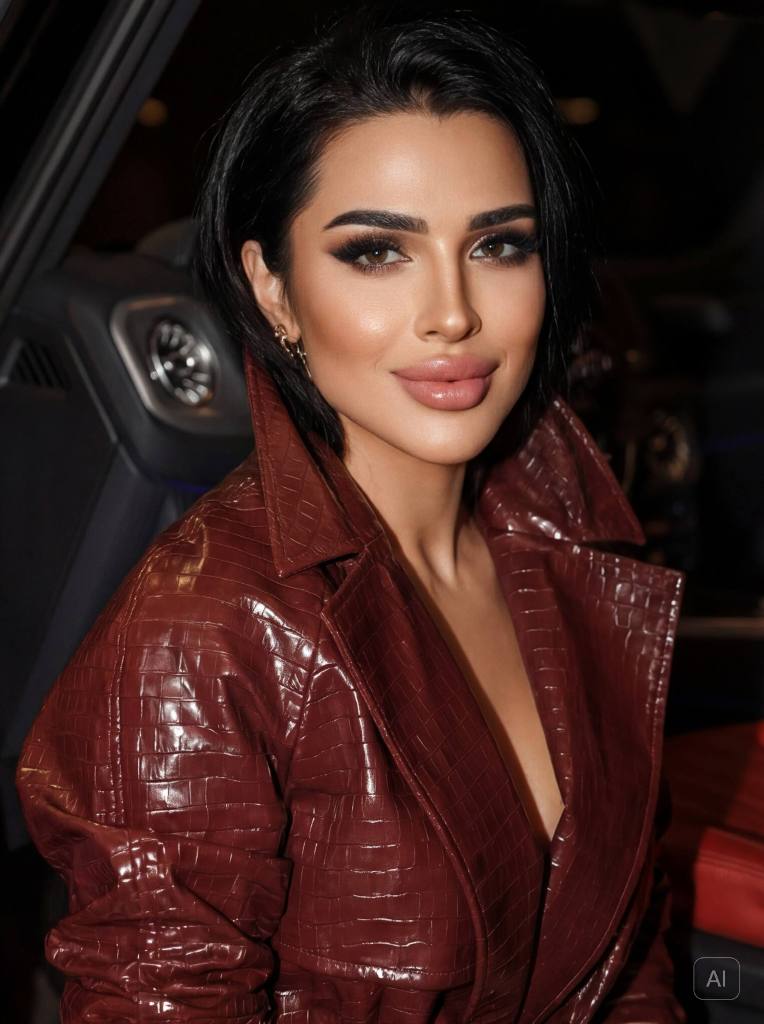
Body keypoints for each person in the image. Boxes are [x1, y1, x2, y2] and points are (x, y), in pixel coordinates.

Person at [16, 6, 689, 1022]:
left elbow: (627, 960)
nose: (452, 313)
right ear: (272, 290)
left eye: (499, 245)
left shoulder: (570, 547)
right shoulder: (198, 633)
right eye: (377, 252)